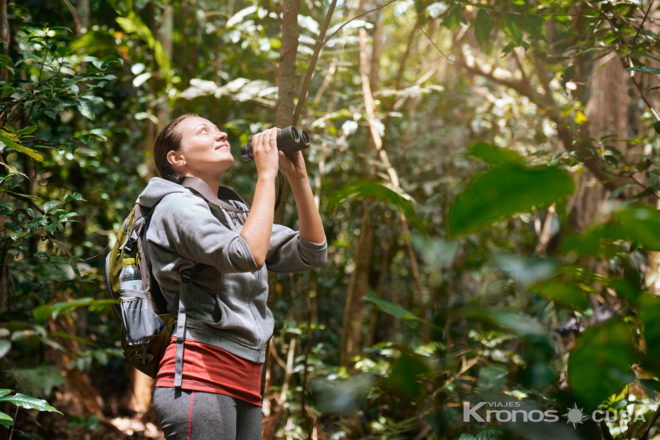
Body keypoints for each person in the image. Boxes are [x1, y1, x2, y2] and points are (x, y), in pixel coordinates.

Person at [137, 114, 327, 440]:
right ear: (177, 159)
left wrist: (299, 179)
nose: (220, 133)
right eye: (203, 130)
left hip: (247, 378)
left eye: (217, 128)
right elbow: (246, 255)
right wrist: (266, 175)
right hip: (199, 375)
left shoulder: (233, 214)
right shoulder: (174, 207)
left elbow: (312, 252)